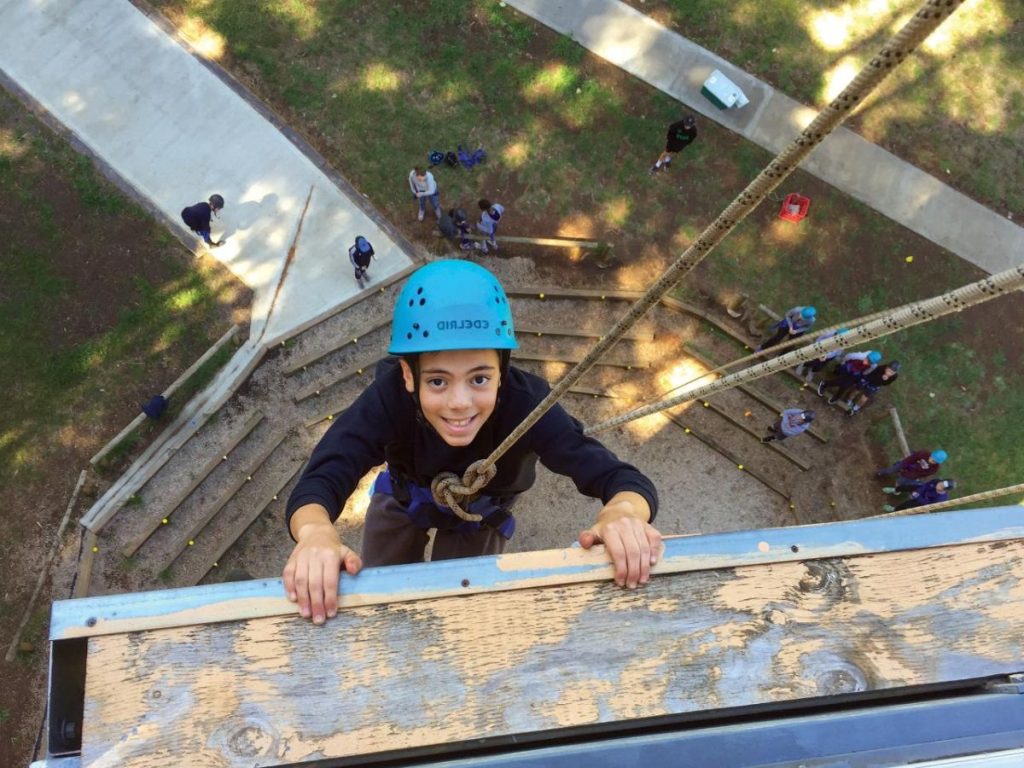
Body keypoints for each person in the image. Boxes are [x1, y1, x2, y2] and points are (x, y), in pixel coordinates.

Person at [283, 260, 663, 624]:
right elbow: (325, 474)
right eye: (437, 381)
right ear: (408, 376)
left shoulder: (526, 405)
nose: (460, 402)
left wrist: (623, 513)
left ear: (502, 370)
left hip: (481, 514)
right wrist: (316, 533)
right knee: (382, 594)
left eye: (479, 378)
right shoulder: (390, 398)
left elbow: (618, 478)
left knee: (462, 606)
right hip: (405, 495)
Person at [817, 350, 881, 404]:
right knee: (839, 381)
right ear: (867, 356)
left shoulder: (873, 365)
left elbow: (867, 371)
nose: (866, 363)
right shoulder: (859, 356)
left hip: (856, 374)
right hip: (848, 368)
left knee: (846, 385)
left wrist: (861, 375)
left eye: (869, 362)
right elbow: (848, 357)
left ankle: (837, 396)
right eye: (867, 360)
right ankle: (824, 384)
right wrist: (843, 363)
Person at [876, 448, 947, 489]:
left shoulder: (934, 468)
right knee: (890, 470)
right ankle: (879, 473)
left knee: (900, 481)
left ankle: (896, 489)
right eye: (932, 458)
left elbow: (922, 474)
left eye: (934, 461)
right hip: (908, 464)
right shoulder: (923, 454)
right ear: (932, 454)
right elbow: (909, 459)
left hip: (912, 474)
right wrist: (904, 466)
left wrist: (909, 473)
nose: (931, 461)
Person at [882, 478, 955, 513]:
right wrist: (917, 492)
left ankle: (894, 510)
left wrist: (917, 497)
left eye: (941, 487)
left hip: (921, 501)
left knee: (907, 505)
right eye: (940, 483)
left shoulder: (940, 499)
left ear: (945, 490)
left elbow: (927, 504)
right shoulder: (936, 481)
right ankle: (895, 490)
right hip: (920, 491)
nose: (938, 485)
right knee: (908, 486)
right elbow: (925, 486)